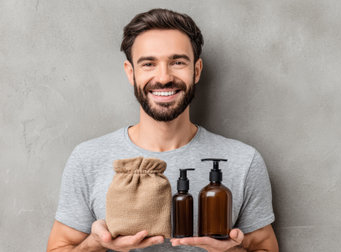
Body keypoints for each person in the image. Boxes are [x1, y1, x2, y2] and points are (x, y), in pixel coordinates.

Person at [47, 8, 278, 252]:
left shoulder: (243, 161)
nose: (164, 77)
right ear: (130, 72)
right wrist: (96, 243)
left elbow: (265, 248)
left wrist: (229, 251)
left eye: (177, 62)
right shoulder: (88, 159)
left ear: (196, 71)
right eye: (148, 64)